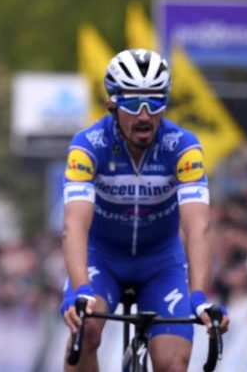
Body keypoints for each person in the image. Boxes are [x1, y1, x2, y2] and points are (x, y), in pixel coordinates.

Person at [60, 49, 230, 371]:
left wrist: (199, 296)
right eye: (132, 102)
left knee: (172, 363)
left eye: (154, 102)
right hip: (103, 259)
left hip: (161, 264)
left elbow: (198, 228)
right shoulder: (87, 146)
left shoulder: (183, 147)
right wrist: (80, 289)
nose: (143, 115)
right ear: (112, 104)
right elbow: (74, 226)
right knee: (85, 328)